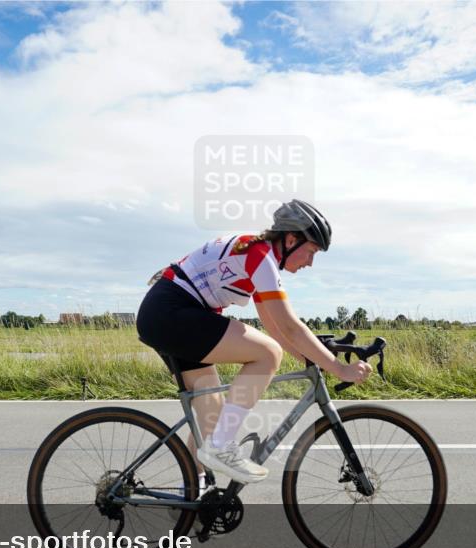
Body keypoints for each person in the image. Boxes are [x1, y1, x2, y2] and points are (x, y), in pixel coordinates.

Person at [136, 199, 372, 487]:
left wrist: (310, 358)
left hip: (168, 314)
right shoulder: (260, 255)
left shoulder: (257, 254)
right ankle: (221, 449)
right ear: (291, 239)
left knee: (212, 413)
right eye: (311, 252)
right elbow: (289, 328)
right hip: (172, 312)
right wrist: (339, 369)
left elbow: (275, 327)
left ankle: (194, 491)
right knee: (267, 354)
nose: (310, 262)